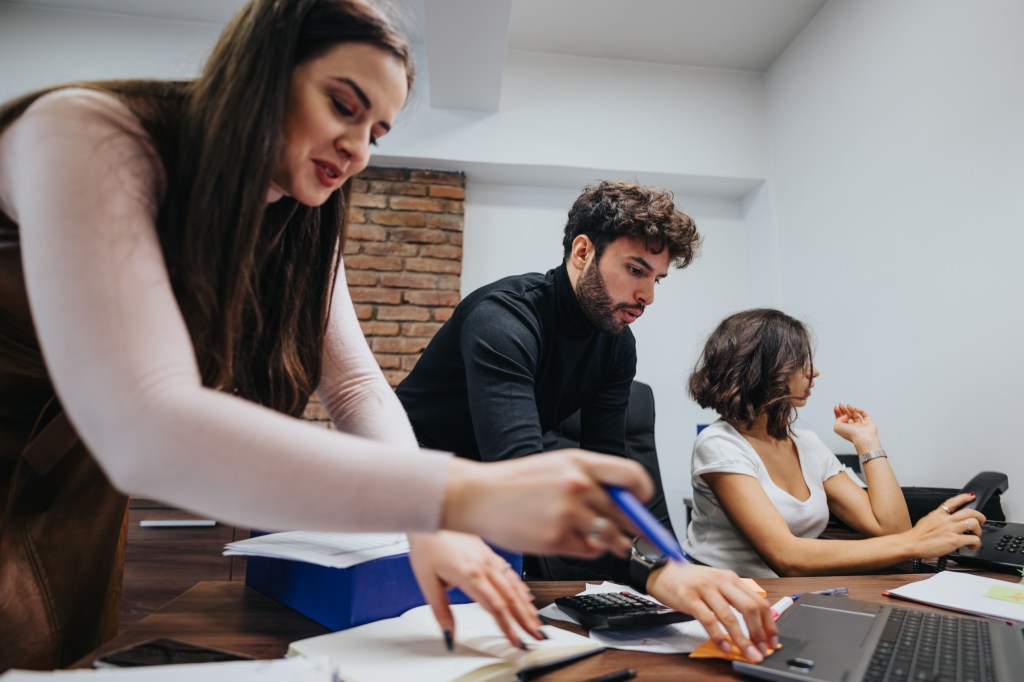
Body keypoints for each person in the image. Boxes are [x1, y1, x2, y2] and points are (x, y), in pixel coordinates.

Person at [0, 0, 654, 671]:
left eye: (377, 131)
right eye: (343, 105)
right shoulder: (84, 133)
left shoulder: (303, 218)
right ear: (262, 67)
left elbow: (354, 384)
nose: (358, 149)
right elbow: (142, 419)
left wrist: (425, 524)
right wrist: (451, 494)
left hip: (74, 486)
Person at [397, 182, 778, 663]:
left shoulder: (617, 343)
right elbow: (520, 476)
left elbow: (606, 475)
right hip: (408, 493)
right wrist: (653, 572)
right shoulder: (503, 318)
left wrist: (671, 564)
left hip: (487, 503)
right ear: (582, 251)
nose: (647, 296)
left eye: (657, 279)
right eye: (635, 270)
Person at [683, 308, 986, 578]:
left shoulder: (807, 444)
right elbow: (787, 557)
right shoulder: (720, 444)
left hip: (788, 594)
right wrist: (917, 540)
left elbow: (892, 530)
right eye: (801, 362)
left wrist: (868, 443)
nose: (814, 372)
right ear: (764, 370)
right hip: (725, 598)